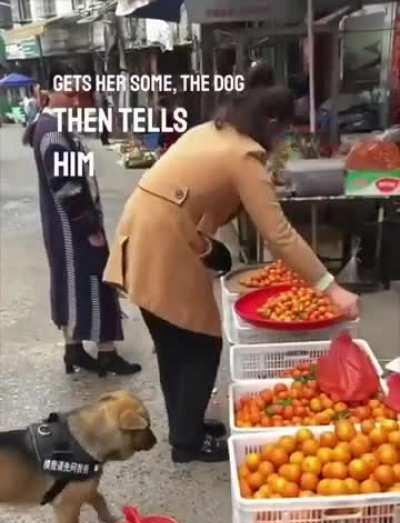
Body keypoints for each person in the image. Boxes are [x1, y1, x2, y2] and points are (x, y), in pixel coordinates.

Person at [104, 73, 359, 463]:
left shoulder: (211, 132)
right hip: (164, 243)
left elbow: (193, 191)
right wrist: (330, 286)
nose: (284, 141)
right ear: (272, 123)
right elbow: (279, 234)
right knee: (200, 344)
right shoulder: (243, 157)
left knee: (173, 344)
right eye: (286, 131)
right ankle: (188, 444)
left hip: (144, 231)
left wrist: (207, 244)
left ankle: (185, 427)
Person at [24, 63, 141, 377]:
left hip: (66, 226)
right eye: (70, 94)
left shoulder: (52, 126)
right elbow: (67, 188)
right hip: (72, 228)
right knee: (95, 283)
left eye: (82, 95)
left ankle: (74, 349)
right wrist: (89, 226)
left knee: (71, 284)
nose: (77, 102)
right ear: (48, 93)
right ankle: (106, 353)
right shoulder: (52, 132)